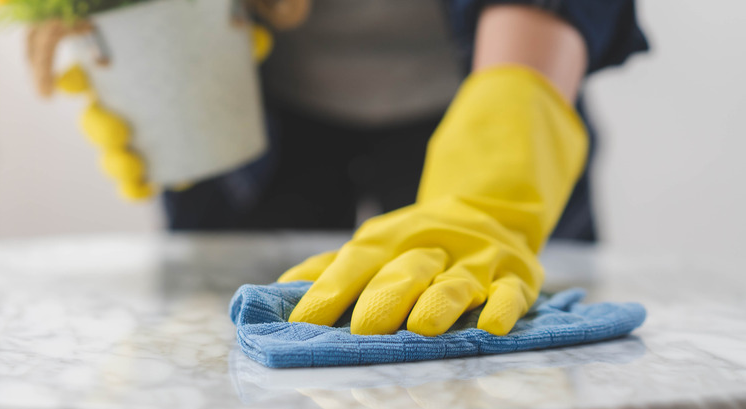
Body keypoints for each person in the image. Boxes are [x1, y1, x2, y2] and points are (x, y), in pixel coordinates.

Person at [163, 0, 648, 336]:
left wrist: (497, 173)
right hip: (257, 104)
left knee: (519, 337)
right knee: (223, 360)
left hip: (487, 77)